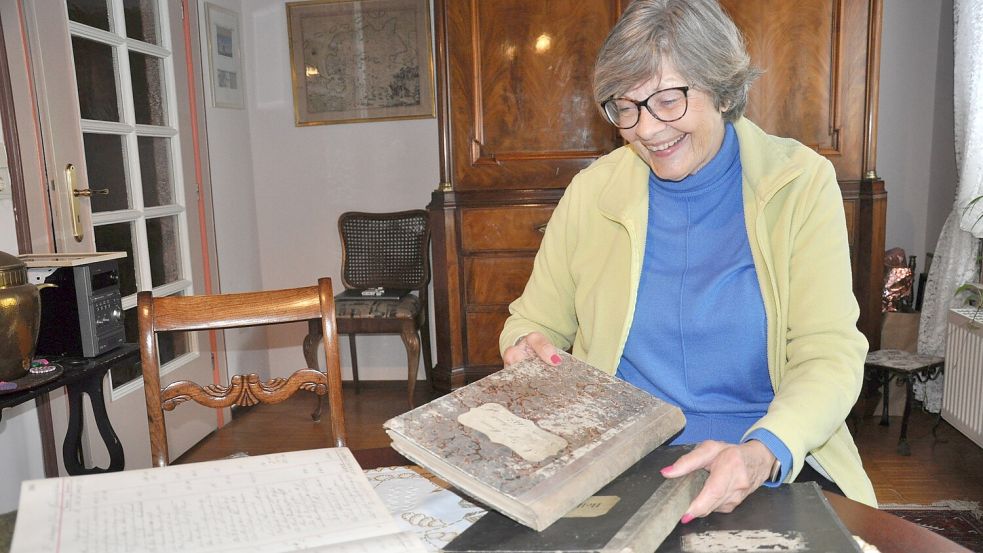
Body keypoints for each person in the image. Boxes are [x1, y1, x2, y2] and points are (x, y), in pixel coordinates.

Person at [499, 0, 877, 521]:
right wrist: (526, 348)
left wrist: (762, 451)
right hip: (622, 461)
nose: (647, 129)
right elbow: (535, 321)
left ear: (724, 90)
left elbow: (828, 350)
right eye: (624, 106)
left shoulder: (799, 182)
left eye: (669, 99)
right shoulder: (592, 192)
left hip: (767, 457)